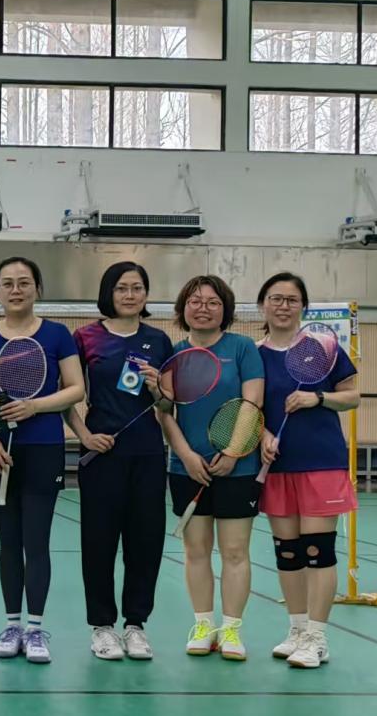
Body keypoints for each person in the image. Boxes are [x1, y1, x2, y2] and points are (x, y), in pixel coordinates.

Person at [0, 257, 83, 664]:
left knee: (36, 541)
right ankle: (11, 625)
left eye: (23, 282)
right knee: (8, 542)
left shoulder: (57, 334)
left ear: (37, 288)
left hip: (43, 448)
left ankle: (35, 630)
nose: (15, 290)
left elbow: (75, 389)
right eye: (7, 283)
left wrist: (35, 406)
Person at [66, 262, 174, 661]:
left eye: (137, 288)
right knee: (98, 542)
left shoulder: (159, 340)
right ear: (108, 293)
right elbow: (67, 395)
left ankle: (135, 625)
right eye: (122, 288)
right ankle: (102, 627)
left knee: (145, 542)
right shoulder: (85, 338)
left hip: (147, 454)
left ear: (146, 294)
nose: (130, 295)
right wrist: (84, 435)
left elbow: (168, 405)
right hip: (102, 454)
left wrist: (158, 388)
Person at [256, 272, 359, 669]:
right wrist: (263, 434)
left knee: (318, 550)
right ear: (263, 304)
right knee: (288, 552)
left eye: (292, 299)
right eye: (276, 298)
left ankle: (317, 637)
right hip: (278, 465)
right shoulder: (253, 354)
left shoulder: (324, 347)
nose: (283, 306)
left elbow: (352, 396)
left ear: (303, 306)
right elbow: (250, 406)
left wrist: (318, 398)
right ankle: (297, 629)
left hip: (321, 462)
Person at [159, 275, 264, 661]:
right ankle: (204, 625)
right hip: (187, 468)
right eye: (195, 301)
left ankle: (232, 629)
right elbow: (165, 411)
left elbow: (252, 403)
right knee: (196, 550)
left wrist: (235, 451)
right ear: (183, 308)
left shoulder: (242, 348)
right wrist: (186, 455)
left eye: (213, 302)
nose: (203, 308)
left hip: (238, 467)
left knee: (235, 551)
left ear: (225, 309)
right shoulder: (173, 354)